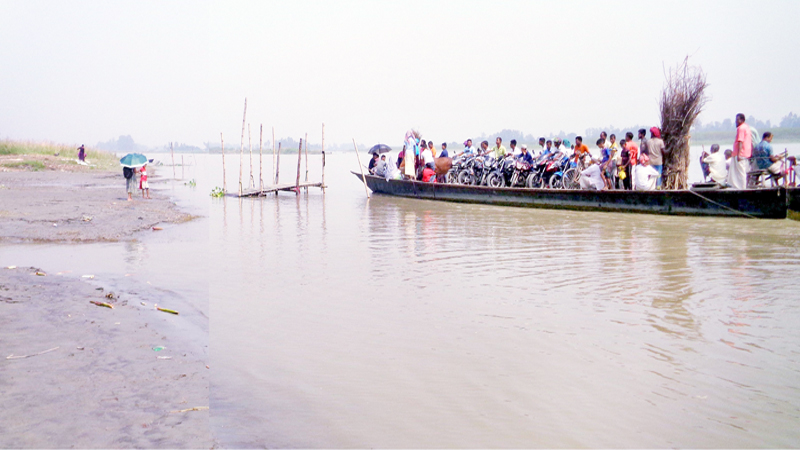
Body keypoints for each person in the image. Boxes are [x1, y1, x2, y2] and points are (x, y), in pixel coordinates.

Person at [726, 113, 752, 189]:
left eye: (737, 120)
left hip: (741, 153)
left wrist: (739, 154)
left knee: (740, 172)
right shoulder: (747, 127)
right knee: (739, 171)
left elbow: (740, 141)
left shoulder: (741, 128)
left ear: (742, 120)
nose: (736, 122)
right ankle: (738, 186)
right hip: (745, 153)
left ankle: (742, 187)